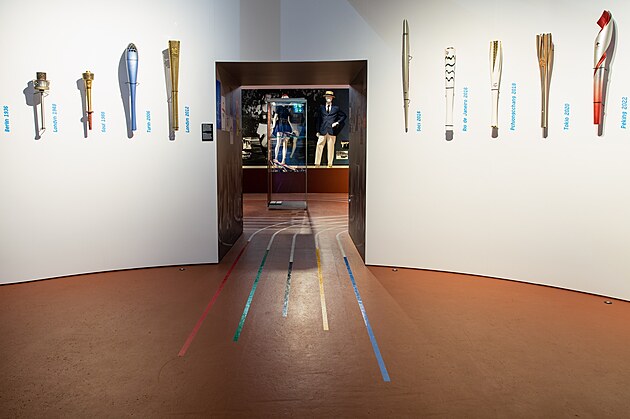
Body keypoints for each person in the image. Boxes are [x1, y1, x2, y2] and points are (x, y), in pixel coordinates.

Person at [315, 90, 346, 167]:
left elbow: (343, 116)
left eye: (330, 97)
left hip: (332, 131)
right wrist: (317, 130)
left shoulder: (336, 108)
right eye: (327, 97)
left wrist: (337, 122)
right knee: (319, 146)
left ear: (332, 98)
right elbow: (318, 119)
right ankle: (317, 163)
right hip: (322, 130)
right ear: (325, 98)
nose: (328, 98)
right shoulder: (321, 108)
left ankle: (329, 164)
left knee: (331, 148)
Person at [272, 94, 294, 164]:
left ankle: (283, 160)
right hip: (280, 125)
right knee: (278, 143)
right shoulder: (279, 107)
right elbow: (275, 117)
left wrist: (292, 128)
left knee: (285, 144)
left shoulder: (288, 108)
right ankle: (275, 158)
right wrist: (273, 126)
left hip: (286, 125)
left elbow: (289, 119)